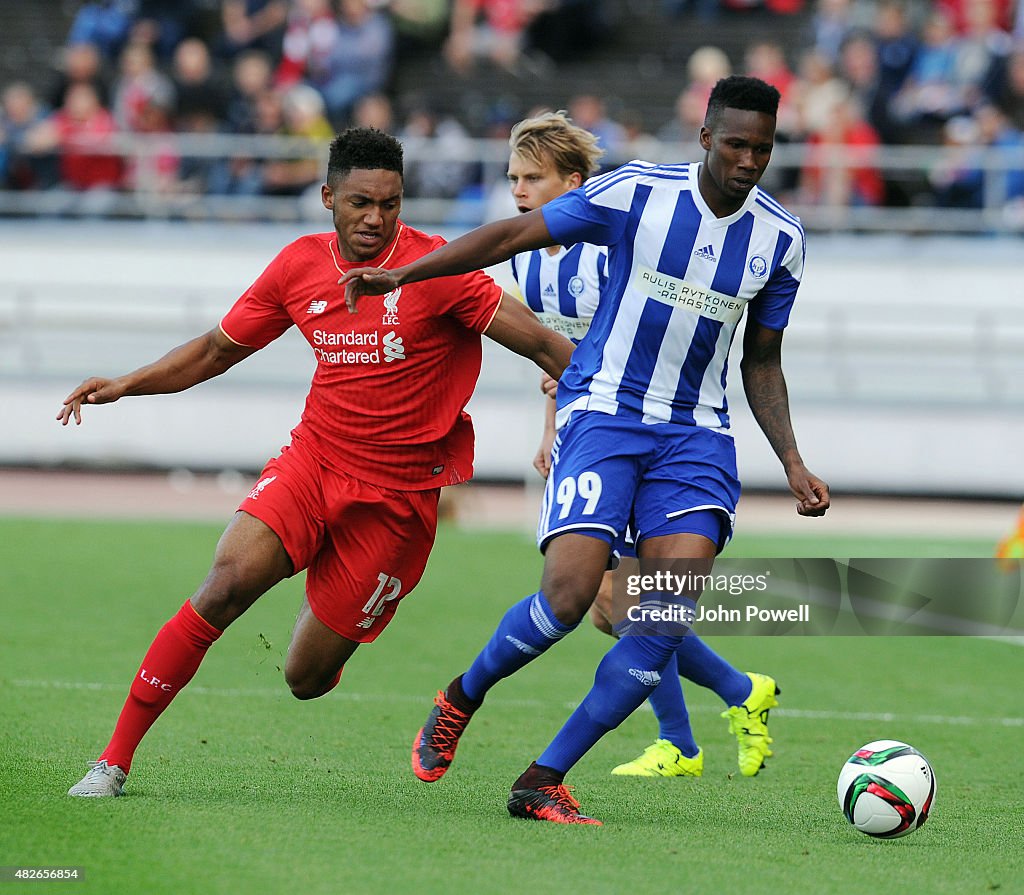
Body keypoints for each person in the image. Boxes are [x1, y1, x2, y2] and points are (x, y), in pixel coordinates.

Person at [342, 77, 831, 825]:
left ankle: (543, 777)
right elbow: (509, 236)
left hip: (698, 436)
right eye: (735, 143)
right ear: (705, 137)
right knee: (571, 598)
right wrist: (406, 273)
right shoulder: (638, 193)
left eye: (762, 148)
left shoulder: (782, 240)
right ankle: (461, 696)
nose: (749, 160)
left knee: (656, 616)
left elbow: (761, 360)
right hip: (604, 412)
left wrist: (793, 461)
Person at [60, 126, 575, 798]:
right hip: (315, 463)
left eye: (389, 204)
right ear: (328, 196)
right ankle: (113, 760)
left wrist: (614, 410)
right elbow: (217, 349)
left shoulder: (440, 270)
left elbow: (543, 343)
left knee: (304, 678)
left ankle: (333, 616)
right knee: (223, 584)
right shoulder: (298, 266)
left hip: (396, 503)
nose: (375, 218)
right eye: (360, 202)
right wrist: (129, 381)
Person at [506, 109, 784, 780]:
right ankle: (716, 712)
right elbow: (559, 363)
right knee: (619, 605)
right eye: (513, 177)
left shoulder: (609, 246)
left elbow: (634, 342)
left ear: (571, 182)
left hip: (647, 434)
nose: (518, 191)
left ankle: (703, 722)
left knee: (626, 601)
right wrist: (553, 433)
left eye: (533, 178)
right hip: (591, 431)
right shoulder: (528, 262)